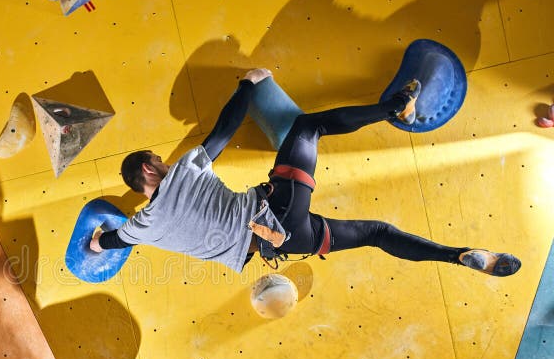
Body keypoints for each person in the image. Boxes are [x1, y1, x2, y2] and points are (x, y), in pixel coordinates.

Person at [89, 68, 521, 278]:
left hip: (285, 244)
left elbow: (107, 242)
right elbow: (223, 131)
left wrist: (94, 241)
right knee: (307, 126)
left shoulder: (140, 227)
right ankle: (398, 107)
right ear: (150, 167)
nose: (166, 160)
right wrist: (249, 84)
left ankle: (459, 255)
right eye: (158, 160)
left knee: (377, 233)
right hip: (279, 206)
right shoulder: (183, 172)